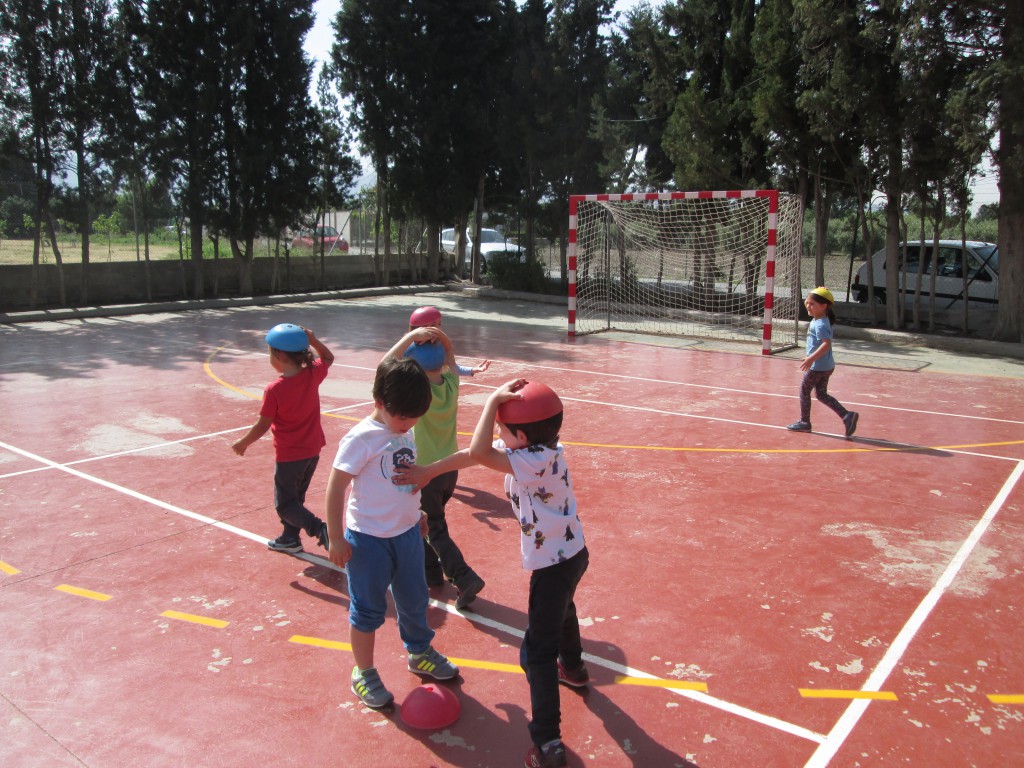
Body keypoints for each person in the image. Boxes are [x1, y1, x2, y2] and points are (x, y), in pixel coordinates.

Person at [397, 379, 588, 768]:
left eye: (503, 428)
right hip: (572, 555)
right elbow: (474, 453)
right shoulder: (543, 448)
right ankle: (574, 667)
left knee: (536, 653)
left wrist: (489, 402)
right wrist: (430, 471)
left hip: (552, 565)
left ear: (519, 434)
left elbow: (481, 450)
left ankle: (547, 743)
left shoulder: (532, 461)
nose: (498, 433)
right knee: (563, 610)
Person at [324, 355, 459, 710]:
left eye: (415, 418)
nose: (408, 424)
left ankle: (419, 652)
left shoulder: (404, 429)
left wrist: (418, 516)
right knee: (367, 610)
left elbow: (401, 479)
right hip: (367, 540)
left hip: (407, 535)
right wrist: (335, 537)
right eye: (403, 417)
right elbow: (336, 487)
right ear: (380, 403)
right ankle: (363, 672)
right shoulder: (361, 438)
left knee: (415, 599)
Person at [384, 326, 486, 610]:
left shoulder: (417, 391)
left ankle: (464, 576)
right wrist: (442, 338)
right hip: (449, 469)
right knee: (426, 520)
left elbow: (385, 365)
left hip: (424, 470)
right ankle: (431, 574)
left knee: (434, 527)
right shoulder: (451, 383)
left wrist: (408, 337)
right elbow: (451, 356)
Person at [232, 323, 333, 554]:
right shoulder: (311, 374)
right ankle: (290, 538)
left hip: (290, 456)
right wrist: (313, 339)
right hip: (312, 451)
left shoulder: (274, 389)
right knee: (296, 498)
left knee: (286, 504)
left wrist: (243, 443)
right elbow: (327, 357)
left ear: (277, 354)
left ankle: (319, 528)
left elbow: (263, 425)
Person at [787, 287, 859, 437]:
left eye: (812, 304)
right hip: (826, 366)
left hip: (818, 367)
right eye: (807, 303)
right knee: (821, 394)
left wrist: (811, 358)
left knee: (804, 391)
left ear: (823, 306)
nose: (808, 306)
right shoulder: (821, 320)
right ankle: (847, 416)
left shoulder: (820, 324)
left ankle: (804, 422)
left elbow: (826, 344)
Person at [408, 305, 490, 377]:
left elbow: (451, 367)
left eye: (439, 324)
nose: (438, 328)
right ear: (419, 328)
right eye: (433, 325)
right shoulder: (408, 348)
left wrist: (472, 370)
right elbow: (395, 361)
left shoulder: (439, 346)